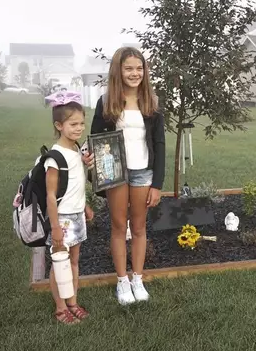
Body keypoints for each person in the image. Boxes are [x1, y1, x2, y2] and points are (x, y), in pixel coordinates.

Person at [91, 46, 165, 305]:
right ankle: (122, 281)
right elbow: (97, 140)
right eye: (128, 68)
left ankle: (137, 278)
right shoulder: (106, 102)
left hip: (143, 173)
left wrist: (157, 183)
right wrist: (89, 159)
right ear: (118, 71)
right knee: (119, 227)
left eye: (139, 68)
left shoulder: (151, 103)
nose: (135, 73)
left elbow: (160, 144)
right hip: (116, 173)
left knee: (140, 227)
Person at [43, 91, 95, 324]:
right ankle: (60, 307)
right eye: (73, 124)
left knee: (74, 261)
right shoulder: (55, 157)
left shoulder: (76, 150)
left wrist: (84, 205)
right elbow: (51, 196)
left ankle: (72, 301)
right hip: (61, 219)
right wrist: (55, 227)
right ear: (59, 125)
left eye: (82, 123)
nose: (79, 128)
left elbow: (75, 184)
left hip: (76, 215)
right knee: (60, 264)